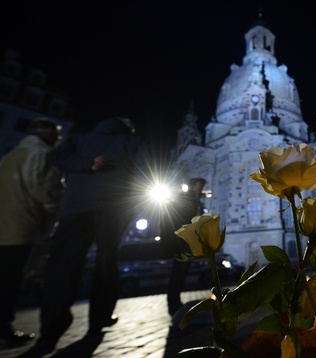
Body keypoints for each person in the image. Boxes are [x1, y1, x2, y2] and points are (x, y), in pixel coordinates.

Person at [19, 117, 145, 357]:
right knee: (106, 264)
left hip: (76, 208)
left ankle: (49, 335)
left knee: (63, 266)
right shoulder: (133, 140)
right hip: (113, 207)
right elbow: (145, 171)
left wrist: (87, 164)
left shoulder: (81, 138)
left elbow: (54, 157)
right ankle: (98, 322)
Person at [0, 118, 62, 349]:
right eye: (56, 136)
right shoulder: (43, 154)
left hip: (3, 222)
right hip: (22, 224)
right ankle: (3, 329)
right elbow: (47, 191)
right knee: (10, 280)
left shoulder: (12, 154)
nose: (57, 141)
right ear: (48, 135)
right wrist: (56, 213)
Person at [163, 177, 206, 316]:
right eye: (198, 185)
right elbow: (183, 219)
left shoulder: (196, 199)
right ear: (192, 185)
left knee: (182, 272)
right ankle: (173, 303)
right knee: (178, 271)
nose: (200, 188)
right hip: (182, 241)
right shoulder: (186, 199)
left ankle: (176, 302)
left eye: (201, 185)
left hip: (188, 240)